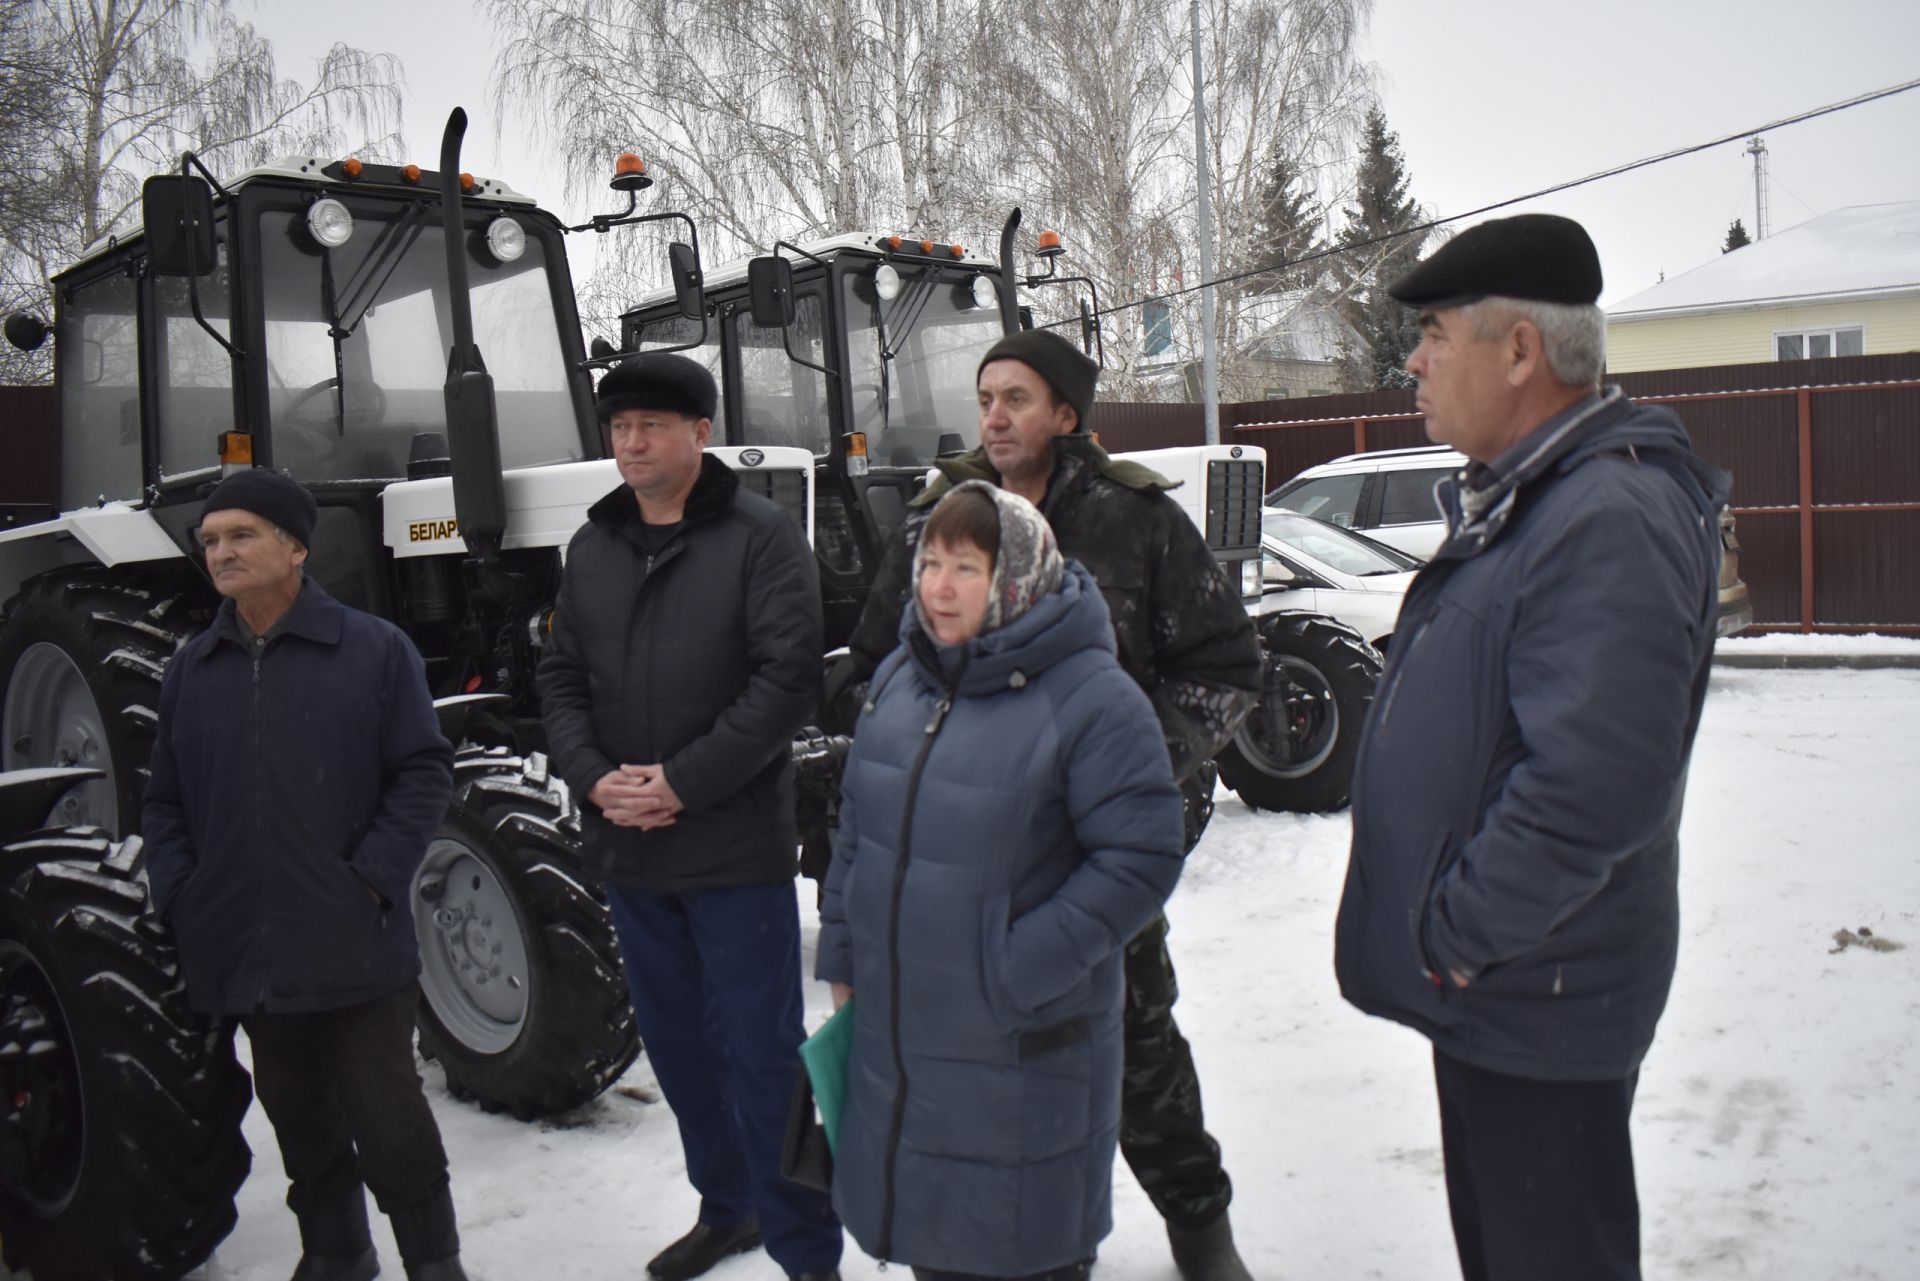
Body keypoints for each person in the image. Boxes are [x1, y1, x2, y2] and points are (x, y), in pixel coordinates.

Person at [1332, 213, 1727, 1281]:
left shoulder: (1604, 514)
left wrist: (1457, 934)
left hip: (1533, 995)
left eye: (1437, 334)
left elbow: (1592, 791)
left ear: (1521, 352)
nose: (1412, 360)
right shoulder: (1545, 498)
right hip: (1513, 993)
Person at [845, 328, 1262, 1281]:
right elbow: (873, 666)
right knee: (968, 1066)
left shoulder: (1134, 520)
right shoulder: (940, 520)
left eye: (1018, 399)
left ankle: (1200, 1222)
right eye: (986, 396)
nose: (994, 415)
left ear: (1066, 416)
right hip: (962, 858)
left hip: (1089, 859)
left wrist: (1116, 775)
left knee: (1138, 1045)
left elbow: (1227, 666)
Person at [819, 482, 1186, 1281]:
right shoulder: (899, 679)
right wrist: (844, 953)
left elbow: (1143, 853)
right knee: (936, 1243)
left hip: (1019, 1049)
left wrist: (1017, 966)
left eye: (966, 567)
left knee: (1018, 1249)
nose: (938, 587)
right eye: (930, 562)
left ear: (1016, 576)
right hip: (905, 1041)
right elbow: (857, 828)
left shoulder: (1091, 698)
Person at [538, 354, 842, 1281]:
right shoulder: (592, 547)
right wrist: (595, 779)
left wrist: (683, 782)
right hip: (631, 851)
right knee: (676, 1049)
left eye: (652, 427)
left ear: (699, 434)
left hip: (730, 848)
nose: (630, 444)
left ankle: (807, 1249)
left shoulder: (758, 536)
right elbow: (558, 678)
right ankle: (728, 1205)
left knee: (763, 1059)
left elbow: (787, 680)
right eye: (619, 427)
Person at [143, 470, 466, 1281]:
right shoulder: (193, 668)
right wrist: (184, 892)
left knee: (390, 1120)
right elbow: (164, 801)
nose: (221, 552)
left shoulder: (371, 649)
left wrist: (373, 878)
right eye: (211, 540)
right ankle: (336, 1251)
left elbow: (424, 772)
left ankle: (435, 1262)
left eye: (241, 535)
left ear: (294, 546)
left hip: (351, 938)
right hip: (241, 949)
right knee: (299, 1116)